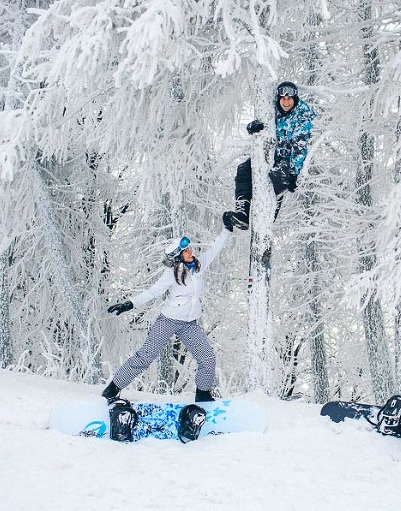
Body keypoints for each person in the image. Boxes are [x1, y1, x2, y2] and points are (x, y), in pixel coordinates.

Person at [102, 228, 232, 403]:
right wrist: (130, 303)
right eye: (186, 251)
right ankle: (113, 388)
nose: (190, 252)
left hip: (189, 325)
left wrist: (226, 230)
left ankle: (203, 395)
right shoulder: (171, 273)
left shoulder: (198, 266)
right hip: (168, 321)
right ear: (178, 257)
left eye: (189, 249)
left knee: (207, 358)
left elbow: (215, 249)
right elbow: (153, 291)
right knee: (145, 356)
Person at [223, 81, 316, 230]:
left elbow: (300, 147)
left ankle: (266, 218)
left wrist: (294, 173)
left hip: (290, 160)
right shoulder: (273, 110)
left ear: (295, 99)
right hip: (273, 155)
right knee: (244, 170)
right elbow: (265, 126)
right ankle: (243, 213)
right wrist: (253, 128)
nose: (286, 102)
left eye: (289, 99)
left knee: (275, 179)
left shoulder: (302, 116)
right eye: (283, 99)